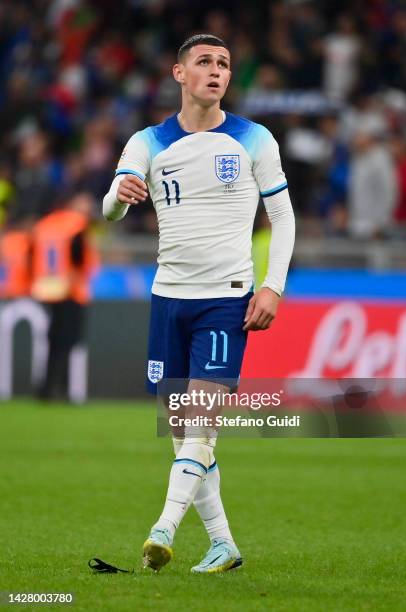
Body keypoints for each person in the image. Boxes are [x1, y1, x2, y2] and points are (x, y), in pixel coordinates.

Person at [103, 34, 295, 574]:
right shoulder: (148, 141)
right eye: (204, 62)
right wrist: (119, 194)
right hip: (168, 300)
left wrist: (272, 285)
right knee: (183, 433)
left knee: (200, 424)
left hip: (226, 299)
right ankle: (223, 545)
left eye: (225, 64)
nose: (216, 71)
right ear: (179, 73)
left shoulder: (254, 139)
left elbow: (282, 218)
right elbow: (109, 209)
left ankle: (162, 529)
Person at [31, 193, 98, 402]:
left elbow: (32, 253)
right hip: (70, 290)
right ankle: (59, 388)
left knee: (53, 341)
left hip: (48, 288)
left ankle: (47, 387)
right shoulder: (76, 224)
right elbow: (77, 255)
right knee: (67, 341)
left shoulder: (46, 224)